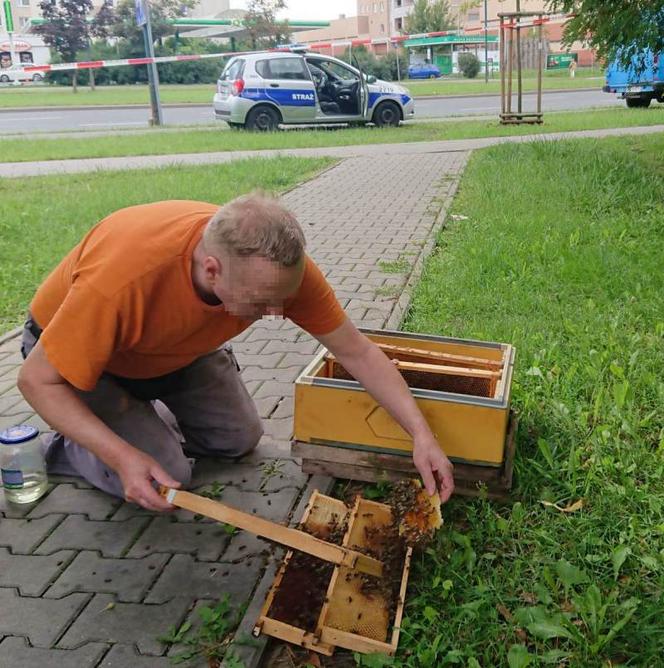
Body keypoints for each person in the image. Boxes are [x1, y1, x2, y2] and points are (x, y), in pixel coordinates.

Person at [18, 194, 454, 512]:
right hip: (84, 367)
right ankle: (69, 447)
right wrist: (122, 456)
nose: (279, 313)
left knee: (238, 439)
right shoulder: (122, 281)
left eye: (282, 299)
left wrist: (420, 433)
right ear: (212, 269)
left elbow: (357, 353)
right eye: (262, 303)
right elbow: (36, 381)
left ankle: (138, 421)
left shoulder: (281, 275)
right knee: (170, 474)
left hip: (174, 353)